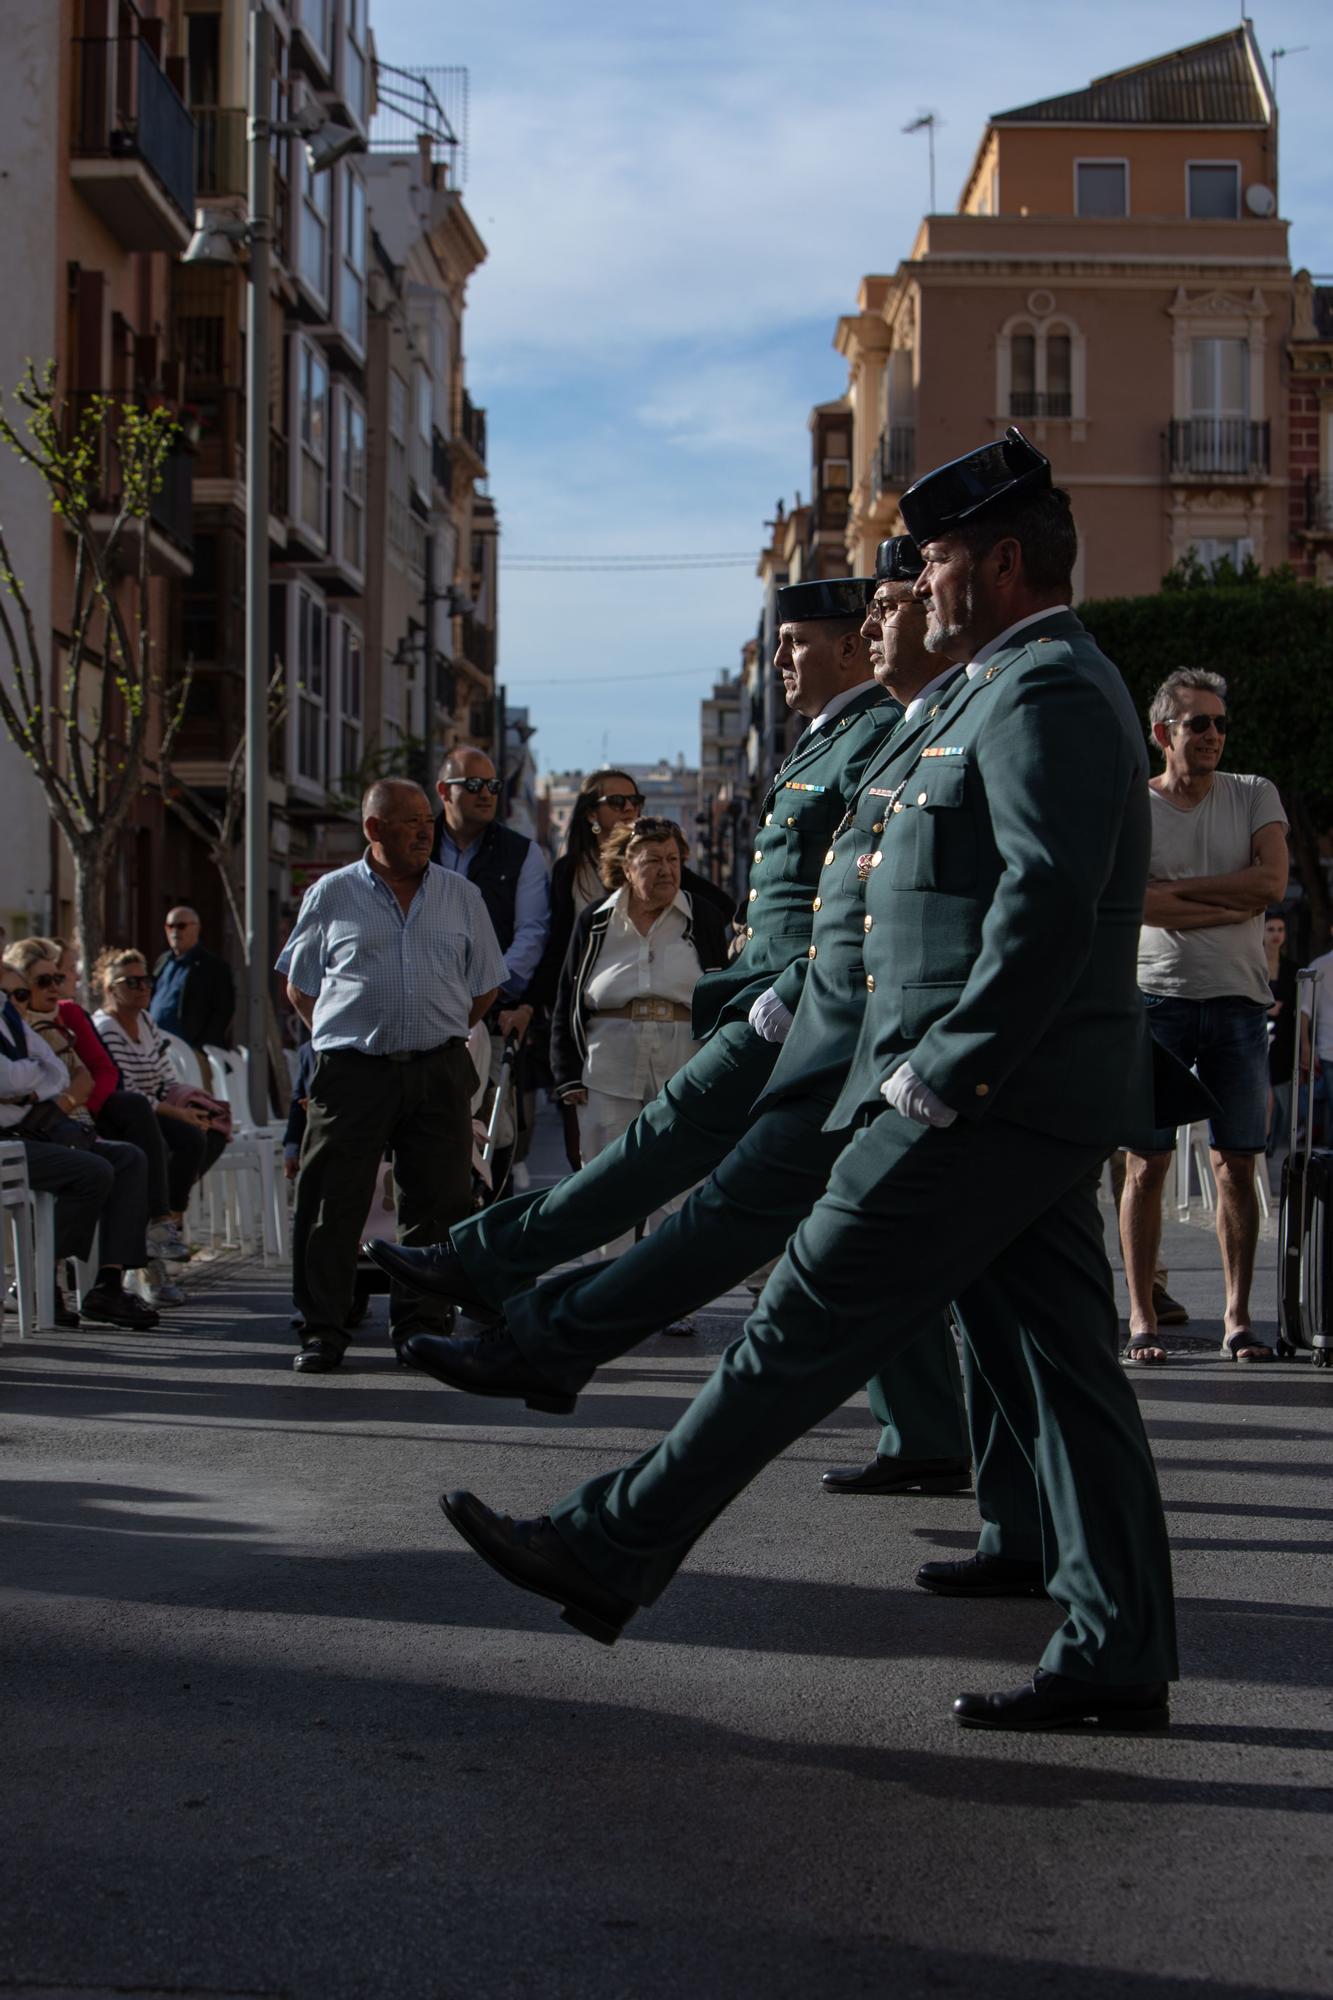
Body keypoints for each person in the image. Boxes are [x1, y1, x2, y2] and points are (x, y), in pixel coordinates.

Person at [436, 429, 1183, 1734]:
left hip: (990, 1092)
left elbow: (1048, 904)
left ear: (1002, 564)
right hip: (992, 1086)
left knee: (801, 1307)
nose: (921, 581)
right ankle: (1117, 1643)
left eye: (939, 560)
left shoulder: (1050, 687)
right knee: (1068, 1368)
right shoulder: (989, 686)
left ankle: (615, 1541)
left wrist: (942, 1074)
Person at [388, 540, 975, 1502]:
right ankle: (923, 1435)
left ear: (843, 649)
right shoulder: (837, 734)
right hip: (786, 1002)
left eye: (798, 642)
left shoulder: (879, 730)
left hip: (811, 1013)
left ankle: (500, 1276)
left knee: (682, 1166)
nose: (785, 661)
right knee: (866, 1245)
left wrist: (790, 986)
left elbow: (861, 890)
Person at [278, 778, 508, 1373]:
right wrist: (345, 1035)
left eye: (427, 821)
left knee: (437, 1205)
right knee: (332, 1201)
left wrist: (434, 1027)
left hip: (437, 1067)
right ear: (374, 829)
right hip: (352, 1072)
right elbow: (300, 987)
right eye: (408, 822)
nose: (425, 830)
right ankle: (322, 1329)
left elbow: (485, 987)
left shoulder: (460, 896)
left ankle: (421, 1328)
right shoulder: (330, 894)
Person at [1118, 670, 1288, 1365]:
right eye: (1197, 724)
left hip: (1239, 1001)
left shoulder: (1254, 794)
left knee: (1236, 1165)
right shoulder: (1136, 803)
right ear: (1163, 734)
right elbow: (1137, 903)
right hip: (1155, 998)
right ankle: (1140, 1318)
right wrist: (1228, 901)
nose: (1213, 734)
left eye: (1218, 722)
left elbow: (1270, 885)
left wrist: (1178, 893)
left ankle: (1239, 1319)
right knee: (1145, 1165)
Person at [552, 815, 730, 1253]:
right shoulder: (595, 923)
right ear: (625, 867)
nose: (666, 870)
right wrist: (567, 1075)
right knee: (606, 1183)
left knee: (679, 1185)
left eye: (673, 859)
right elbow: (566, 1000)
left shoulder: (701, 916)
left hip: (684, 1063)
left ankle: (668, 1301)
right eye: (652, 860)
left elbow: (726, 989)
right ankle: (603, 1299)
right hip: (608, 1062)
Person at [5, 938, 192, 1303]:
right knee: (100, 1165)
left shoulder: (60, 1017)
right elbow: (18, 1078)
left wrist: (62, 1096)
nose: (55, 988)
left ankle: (112, 1278)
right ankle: (40, 1275)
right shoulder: (13, 1021)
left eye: (57, 978)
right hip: (29, 1130)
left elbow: (92, 1073)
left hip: (72, 1118)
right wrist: (48, 1087)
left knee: (154, 1147)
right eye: (43, 982)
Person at [432, 745, 550, 1193]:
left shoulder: (522, 854)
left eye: (494, 786)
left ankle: (486, 1228)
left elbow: (531, 934)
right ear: (444, 790)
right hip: (424, 1014)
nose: (487, 794)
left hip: (491, 1015)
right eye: (474, 785)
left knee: (492, 1128)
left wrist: (484, 992)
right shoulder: (418, 845)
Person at [92, 949, 229, 1256]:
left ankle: (167, 1221)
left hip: (156, 1110)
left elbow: (166, 1078)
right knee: (187, 1138)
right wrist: (179, 1114)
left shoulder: (146, 1022)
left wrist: (193, 1108)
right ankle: (160, 1221)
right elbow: (125, 1090)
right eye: (132, 982)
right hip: (123, 1117)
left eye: (147, 980)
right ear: (110, 988)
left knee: (213, 1131)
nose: (143, 988)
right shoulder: (105, 1028)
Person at [150, 906, 236, 1052]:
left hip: (191, 1053)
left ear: (196, 928)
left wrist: (201, 1048)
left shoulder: (213, 966)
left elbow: (223, 1012)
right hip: (157, 1048)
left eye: (181, 926)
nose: (175, 931)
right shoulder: (162, 961)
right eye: (170, 926)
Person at [1265, 910, 1298, 1182]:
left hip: (1283, 1044)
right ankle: (1262, 1146)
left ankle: (1270, 1146)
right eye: (1271, 929)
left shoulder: (1291, 970)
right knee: (1266, 1099)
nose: (1276, 934)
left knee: (1282, 1103)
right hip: (1259, 1038)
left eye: (1280, 929)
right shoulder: (1254, 964)